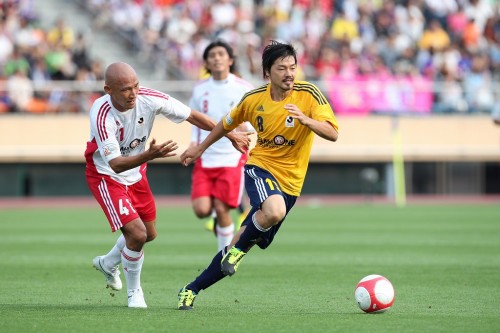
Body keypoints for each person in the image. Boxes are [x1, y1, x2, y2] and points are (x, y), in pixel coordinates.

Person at [177, 40, 339, 310]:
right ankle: (237, 252)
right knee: (272, 211)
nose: (289, 73)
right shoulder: (253, 99)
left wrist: (306, 120)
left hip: (291, 184)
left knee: (237, 243)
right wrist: (200, 148)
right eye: (282, 68)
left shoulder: (309, 94)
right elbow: (224, 124)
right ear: (267, 72)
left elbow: (333, 133)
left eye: (293, 67)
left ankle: (190, 289)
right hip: (260, 167)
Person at [85, 62, 249, 308]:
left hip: (137, 173)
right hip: (107, 176)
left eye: (136, 86)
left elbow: (192, 115)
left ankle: (108, 263)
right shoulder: (101, 113)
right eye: (125, 89)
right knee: (137, 234)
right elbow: (117, 164)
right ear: (108, 90)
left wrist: (229, 132)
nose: (133, 93)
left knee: (149, 234)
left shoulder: (149, 98)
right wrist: (149, 155)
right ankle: (135, 293)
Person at [188, 40, 254, 251]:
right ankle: (223, 229)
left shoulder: (243, 88)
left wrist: (245, 129)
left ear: (230, 60)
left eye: (220, 54)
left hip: (231, 157)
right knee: (201, 210)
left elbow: (253, 121)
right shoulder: (199, 89)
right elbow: (194, 120)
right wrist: (192, 143)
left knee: (221, 208)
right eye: (212, 55)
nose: (216, 58)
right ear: (206, 62)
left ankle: (222, 256)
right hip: (206, 156)